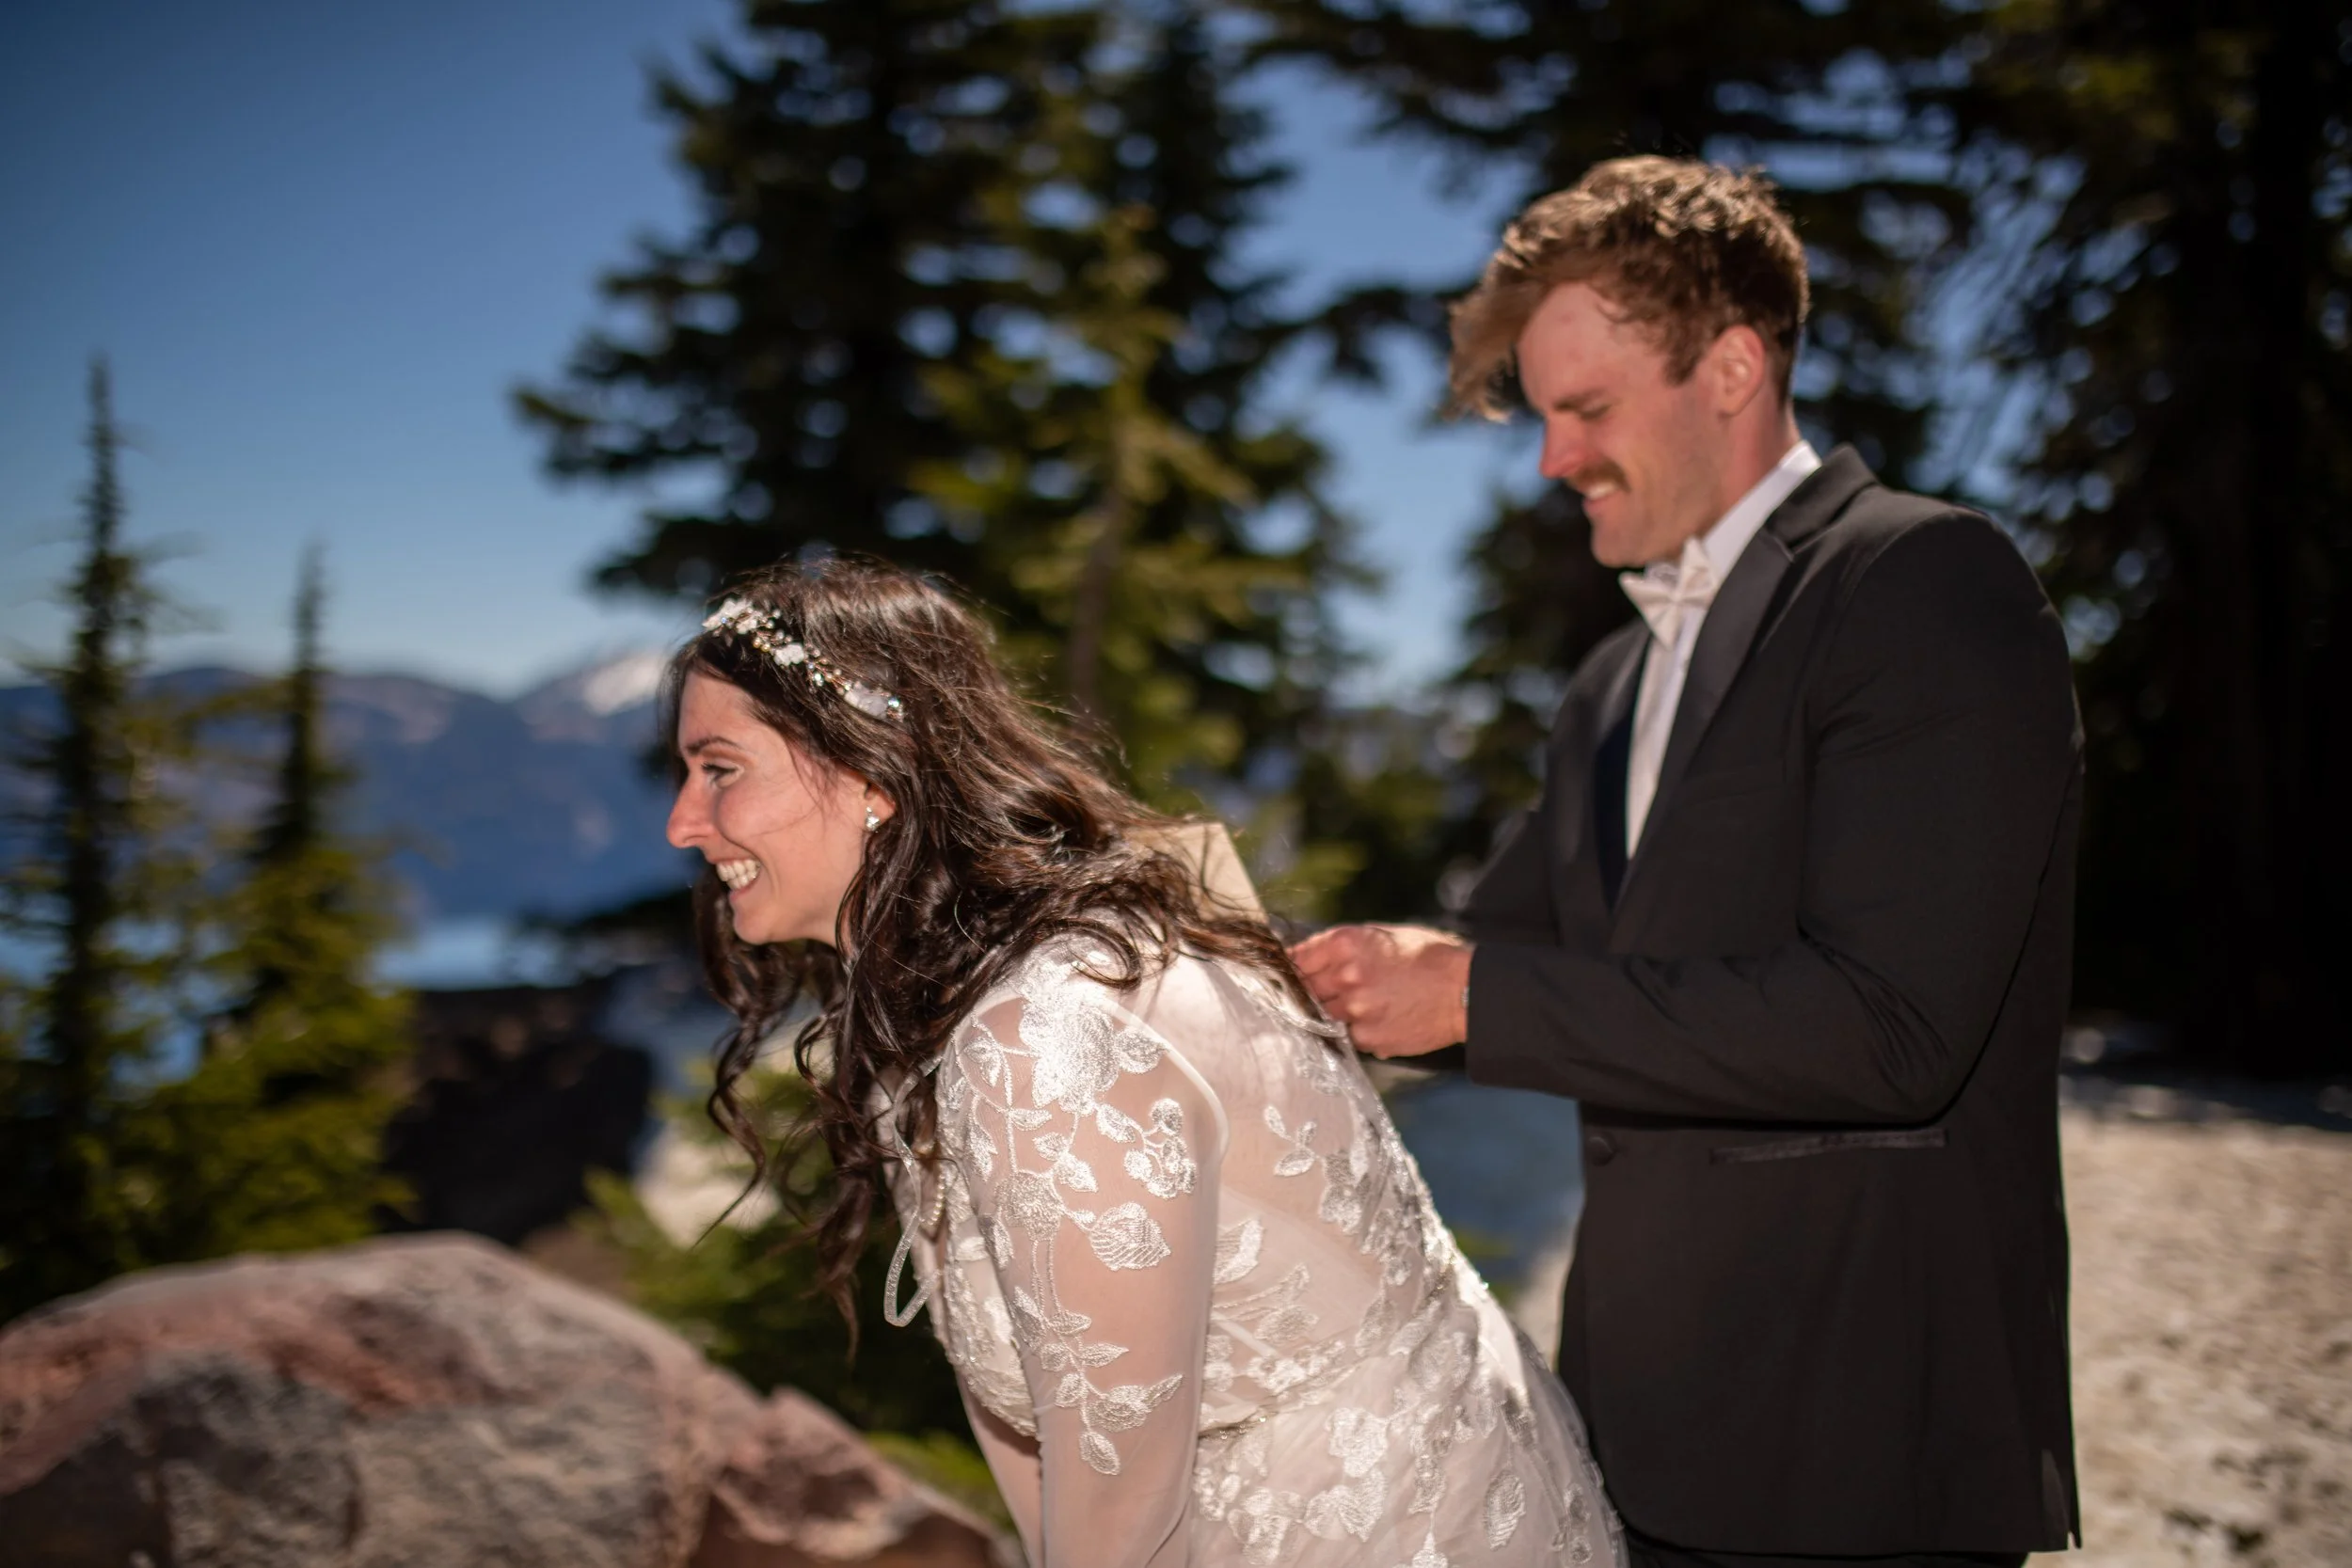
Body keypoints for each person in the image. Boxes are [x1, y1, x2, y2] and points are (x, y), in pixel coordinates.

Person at [1294, 157, 2083, 1568]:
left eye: (1585, 410)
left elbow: (1892, 1026)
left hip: (1859, 1448)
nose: (1553, 460)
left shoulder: (1925, 581)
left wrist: (1473, 991)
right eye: (1542, 419)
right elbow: (1498, 948)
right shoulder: (1610, 674)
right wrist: (1221, 954)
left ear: (1731, 368)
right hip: (1633, 1420)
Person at [662, 561, 1625, 1568]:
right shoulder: (1003, 971)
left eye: (720, 767)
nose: (684, 822)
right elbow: (1033, 1417)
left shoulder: (1043, 1037)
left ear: (871, 772)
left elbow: (1121, 1508)